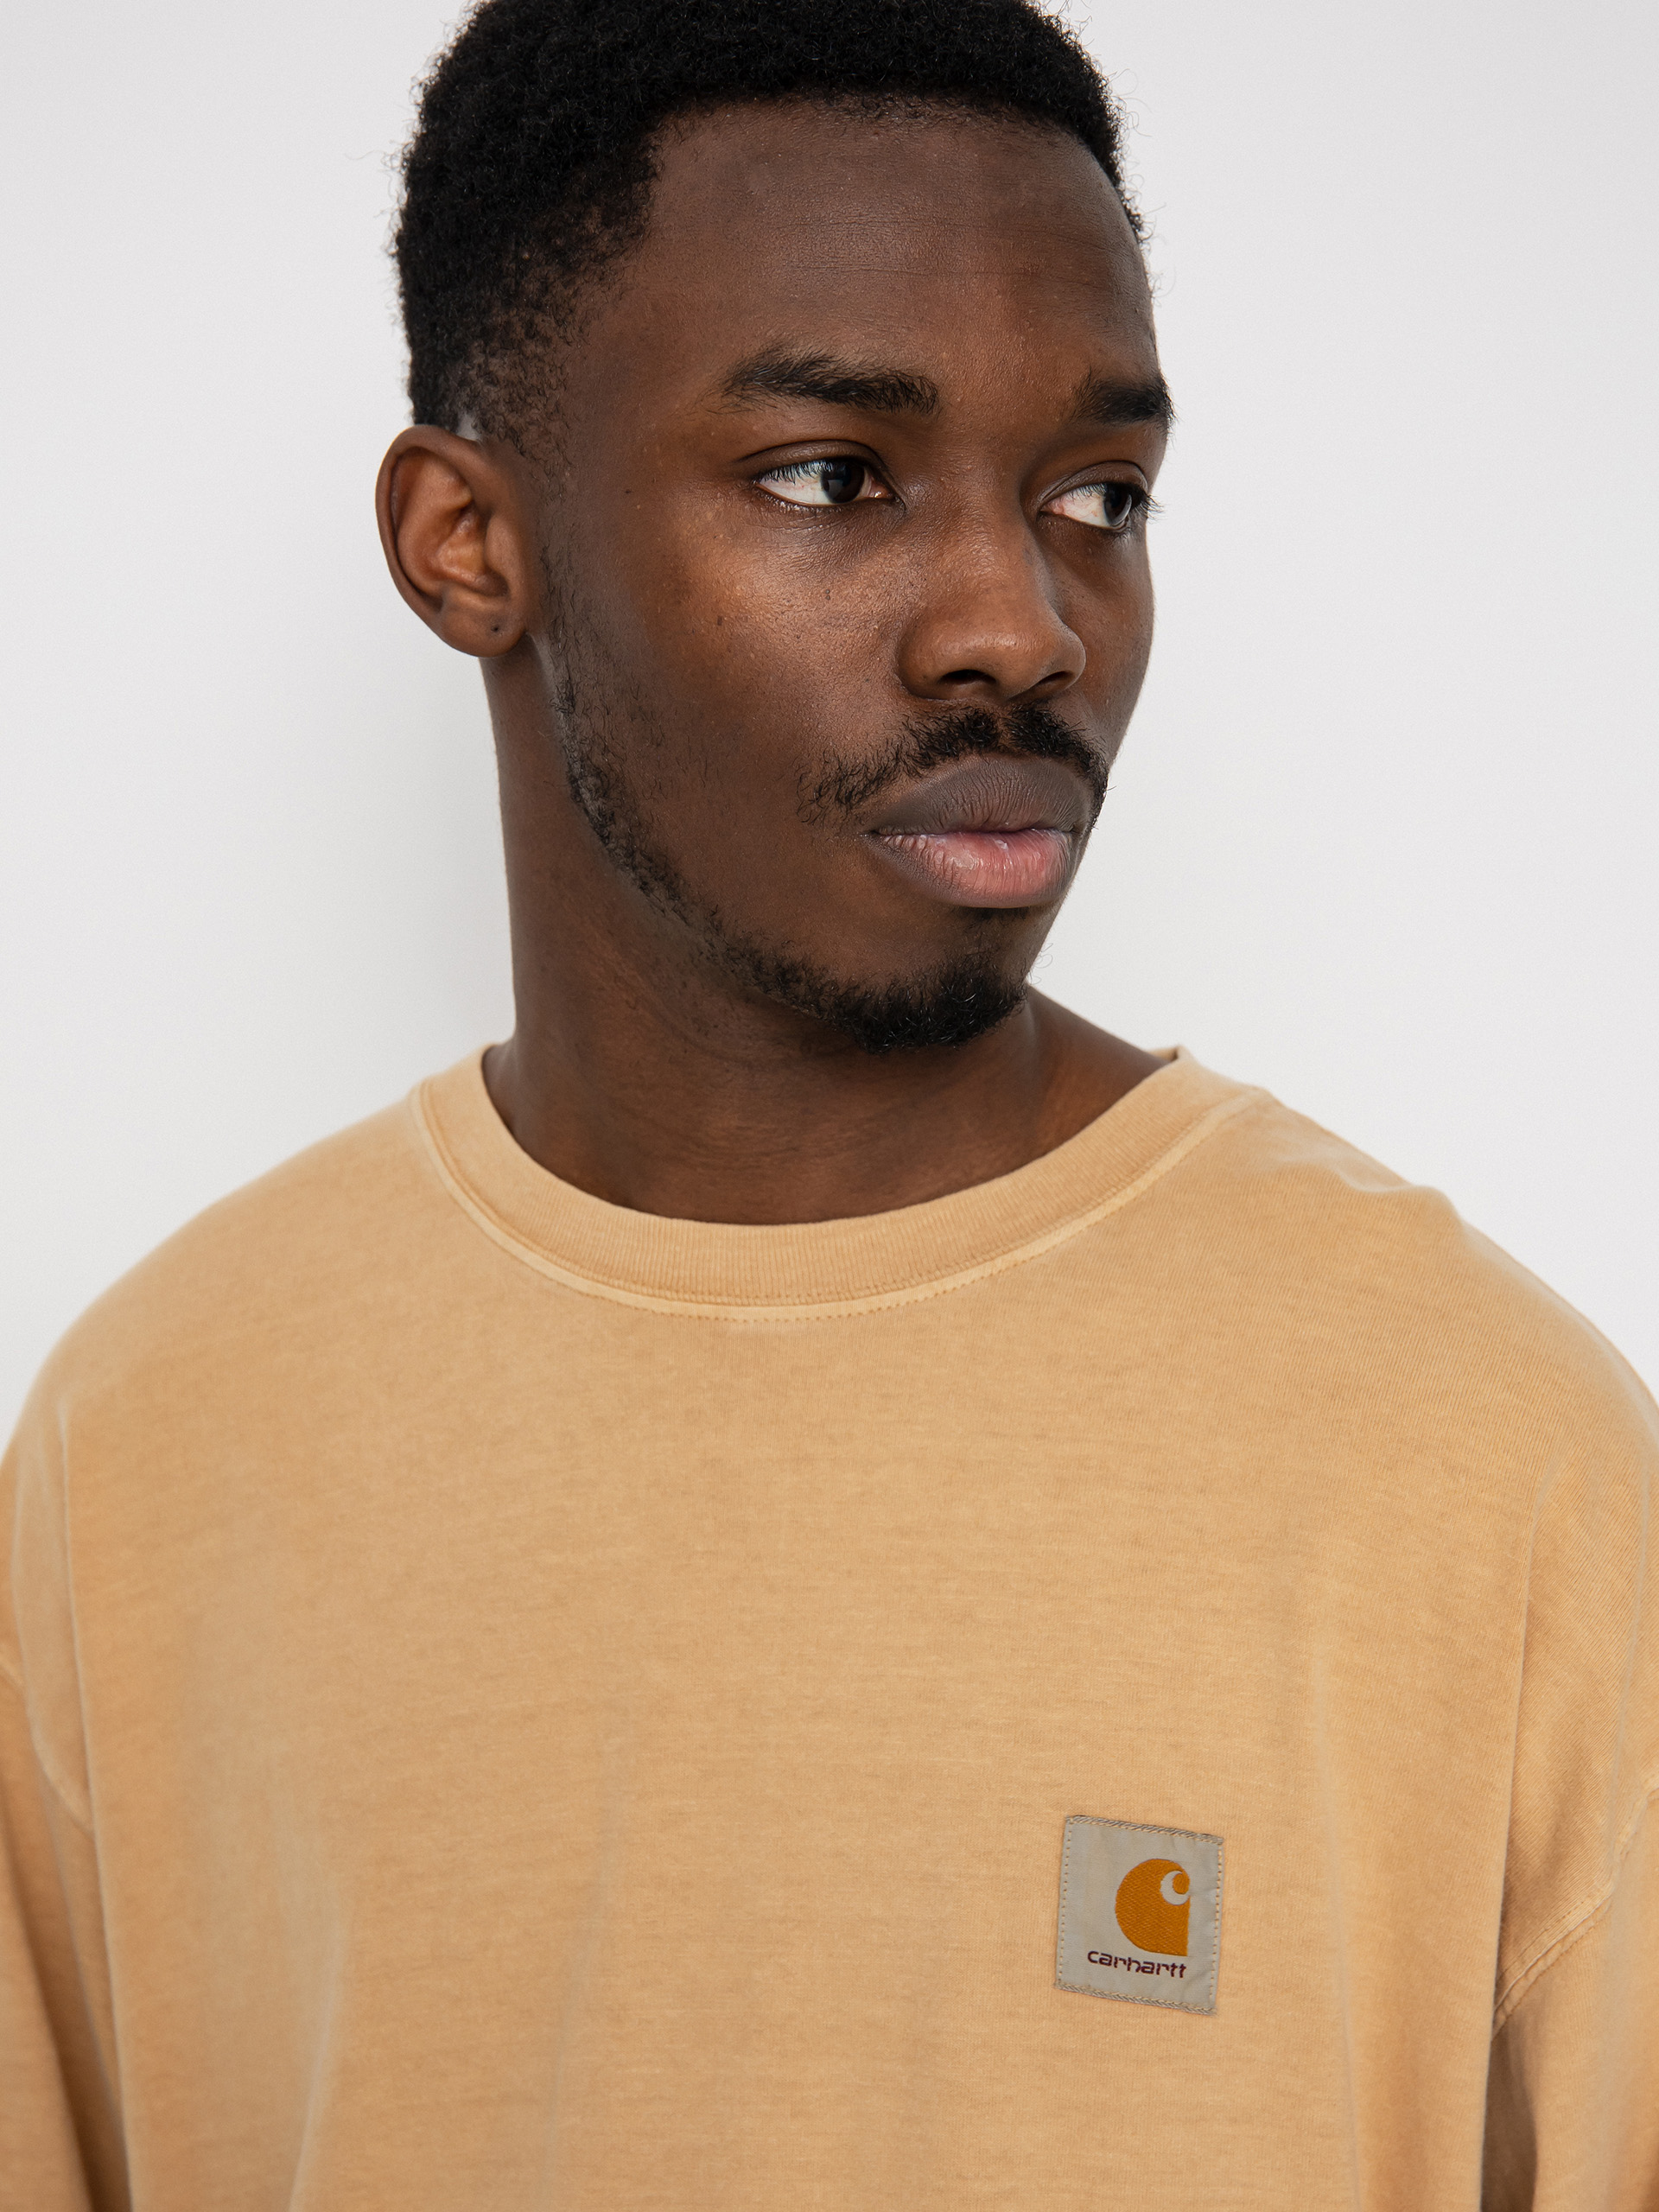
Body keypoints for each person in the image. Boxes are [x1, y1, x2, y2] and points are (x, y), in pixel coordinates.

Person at [3, 0, 1655, 2202]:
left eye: (1097, 498)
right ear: (466, 542)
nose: (1022, 626)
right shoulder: (144, 1452)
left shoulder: (1501, 1467)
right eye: (832, 476)